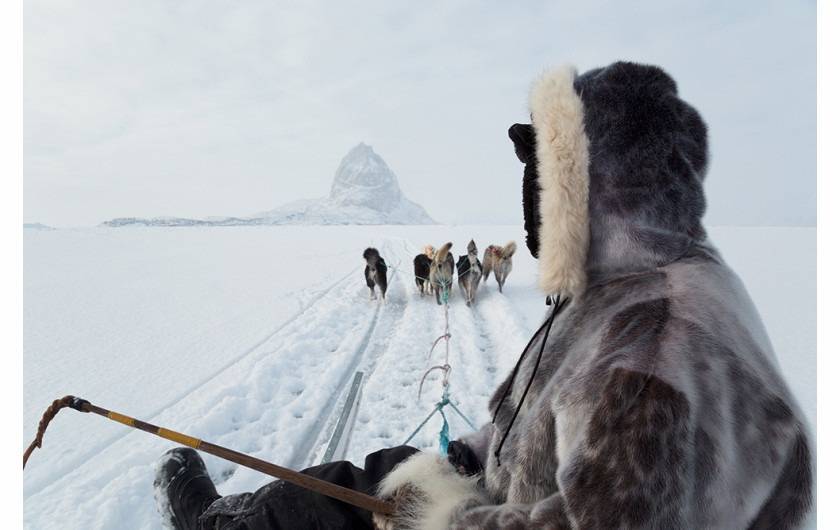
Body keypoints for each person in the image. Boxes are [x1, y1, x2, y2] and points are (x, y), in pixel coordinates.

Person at [155, 61, 814, 529]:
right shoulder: (639, 279)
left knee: (353, 503)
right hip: (513, 486)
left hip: (506, 512)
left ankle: (218, 526)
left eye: (547, 177)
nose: (532, 198)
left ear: (599, 190)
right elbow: (555, 419)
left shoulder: (651, 346)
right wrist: (473, 449)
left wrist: (441, 518)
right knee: (384, 469)